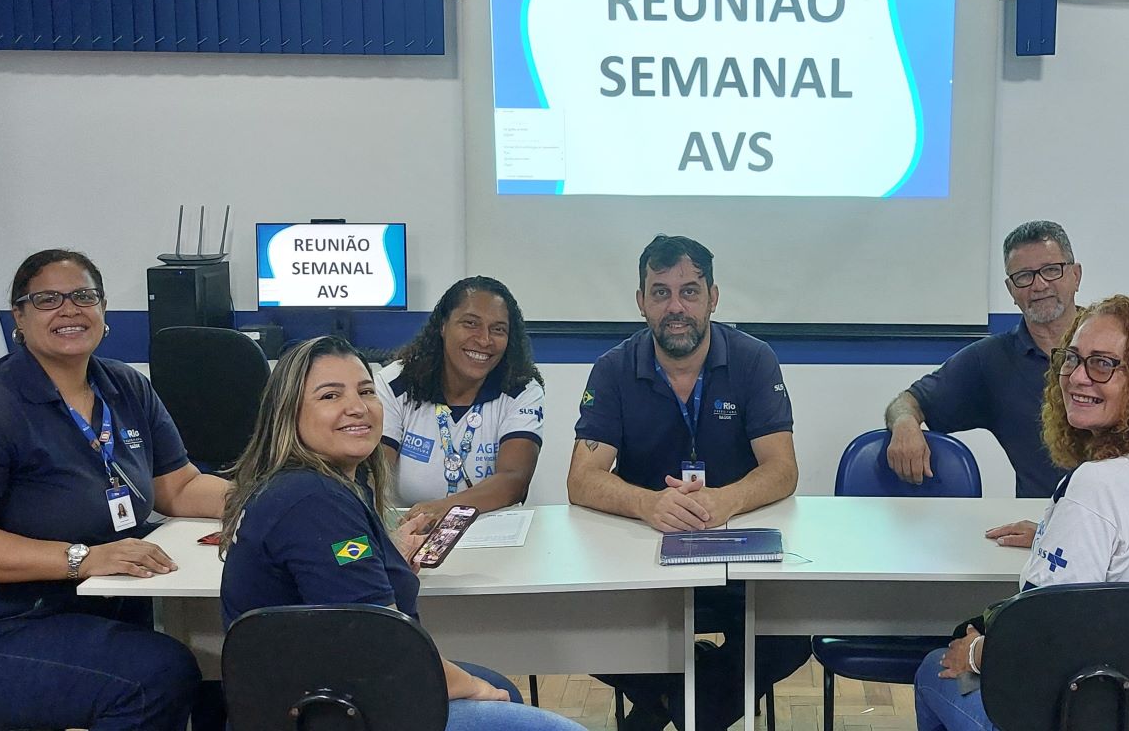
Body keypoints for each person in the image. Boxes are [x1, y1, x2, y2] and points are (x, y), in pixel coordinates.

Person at [0, 248, 232, 730]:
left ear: (102, 309)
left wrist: (273, 500)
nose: (70, 309)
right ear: (19, 315)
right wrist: (81, 558)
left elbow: (178, 488)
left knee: (220, 659)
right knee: (156, 676)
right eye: (48, 299)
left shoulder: (124, 386)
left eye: (83, 296)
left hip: (92, 608)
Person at [218, 335, 583, 731]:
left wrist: (385, 557)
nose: (356, 408)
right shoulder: (313, 500)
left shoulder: (308, 487)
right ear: (287, 414)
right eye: (329, 396)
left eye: (366, 391)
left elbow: (335, 580)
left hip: (322, 696)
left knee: (502, 690)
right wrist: (474, 689)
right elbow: (385, 646)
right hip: (343, 710)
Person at [915, 295, 1129, 731]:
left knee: (934, 670)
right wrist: (1055, 530)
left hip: (1094, 716)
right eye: (1072, 359)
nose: (1077, 377)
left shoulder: (1095, 487)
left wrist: (974, 653)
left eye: (1102, 364)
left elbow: (1044, 642)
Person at [567, 234, 811, 730]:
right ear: (641, 303)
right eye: (660, 292)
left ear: (713, 298)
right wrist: (647, 504)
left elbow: (783, 468)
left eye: (689, 291)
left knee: (791, 637)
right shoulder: (612, 369)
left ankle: (669, 705)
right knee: (581, 625)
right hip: (644, 560)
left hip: (738, 553)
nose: (675, 307)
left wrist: (726, 500)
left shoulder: (752, 359)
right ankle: (696, 705)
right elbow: (582, 479)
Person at [885, 220, 1082, 501]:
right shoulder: (991, 360)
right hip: (1040, 525)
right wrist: (905, 423)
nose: (1039, 285)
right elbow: (908, 401)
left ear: (1076, 275)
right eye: (1024, 276)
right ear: (1011, 290)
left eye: (1051, 270)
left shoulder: (1117, 343)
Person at [378, 276, 546, 521]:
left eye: (498, 329)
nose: (484, 339)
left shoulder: (521, 390)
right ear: (443, 326)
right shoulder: (396, 382)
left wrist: (443, 509)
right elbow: (373, 475)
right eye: (470, 323)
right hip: (406, 527)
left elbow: (514, 480)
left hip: (488, 534)